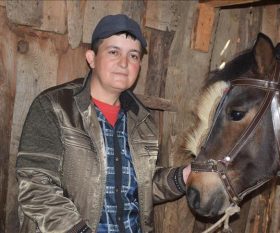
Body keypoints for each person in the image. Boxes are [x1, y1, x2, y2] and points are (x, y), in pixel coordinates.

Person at [16, 14, 190, 233]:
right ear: (91, 58)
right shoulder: (54, 106)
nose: (124, 63)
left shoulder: (143, 121)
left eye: (133, 55)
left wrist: (183, 177)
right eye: (113, 52)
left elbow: (140, 186)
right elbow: (36, 185)